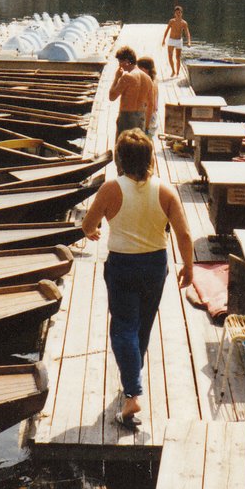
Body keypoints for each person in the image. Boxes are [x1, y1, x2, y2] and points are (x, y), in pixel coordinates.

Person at [81, 129, 194, 429]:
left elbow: (87, 224)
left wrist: (91, 230)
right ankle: (133, 377)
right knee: (142, 325)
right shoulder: (166, 191)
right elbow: (183, 234)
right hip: (155, 264)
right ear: (149, 159)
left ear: (120, 159)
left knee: (122, 328)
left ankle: (132, 394)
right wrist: (189, 267)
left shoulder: (110, 189)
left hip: (122, 265)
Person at [109, 46, 153, 138]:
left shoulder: (127, 77)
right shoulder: (148, 78)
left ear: (126, 61)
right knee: (137, 148)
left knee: (123, 149)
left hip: (127, 117)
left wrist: (116, 77)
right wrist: (147, 127)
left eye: (120, 62)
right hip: (141, 117)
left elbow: (112, 97)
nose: (119, 65)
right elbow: (151, 104)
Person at [161, 5, 192, 78]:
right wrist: (163, 40)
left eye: (180, 12)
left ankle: (178, 72)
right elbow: (167, 30)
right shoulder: (172, 21)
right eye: (177, 13)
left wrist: (189, 42)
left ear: (182, 13)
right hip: (171, 40)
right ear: (174, 13)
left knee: (178, 57)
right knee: (170, 56)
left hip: (178, 40)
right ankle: (173, 70)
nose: (178, 14)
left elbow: (187, 33)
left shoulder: (184, 23)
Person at [136, 57, 159, 136]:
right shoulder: (153, 80)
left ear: (144, 69)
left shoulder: (149, 83)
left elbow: (150, 106)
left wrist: (146, 127)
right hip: (152, 117)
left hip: (147, 118)